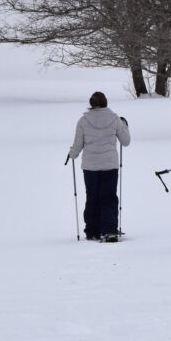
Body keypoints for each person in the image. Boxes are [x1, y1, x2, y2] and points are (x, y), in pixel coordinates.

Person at [68, 91, 131, 242]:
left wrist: (72, 154)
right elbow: (126, 141)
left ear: (91, 104)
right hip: (110, 166)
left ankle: (92, 231)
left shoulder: (83, 121)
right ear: (105, 102)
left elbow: (78, 144)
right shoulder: (115, 119)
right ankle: (109, 230)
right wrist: (124, 125)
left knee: (92, 197)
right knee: (109, 197)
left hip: (90, 167)